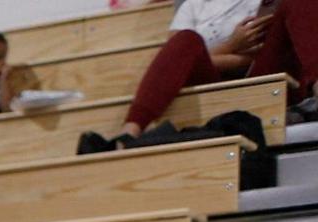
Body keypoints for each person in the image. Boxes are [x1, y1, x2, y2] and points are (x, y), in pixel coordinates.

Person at [105, 0, 315, 144]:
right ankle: (128, 133)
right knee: (186, 40)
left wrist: (226, 55)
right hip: (213, 85)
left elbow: (270, 46)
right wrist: (232, 45)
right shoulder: (193, 5)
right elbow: (175, 59)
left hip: (265, 73)